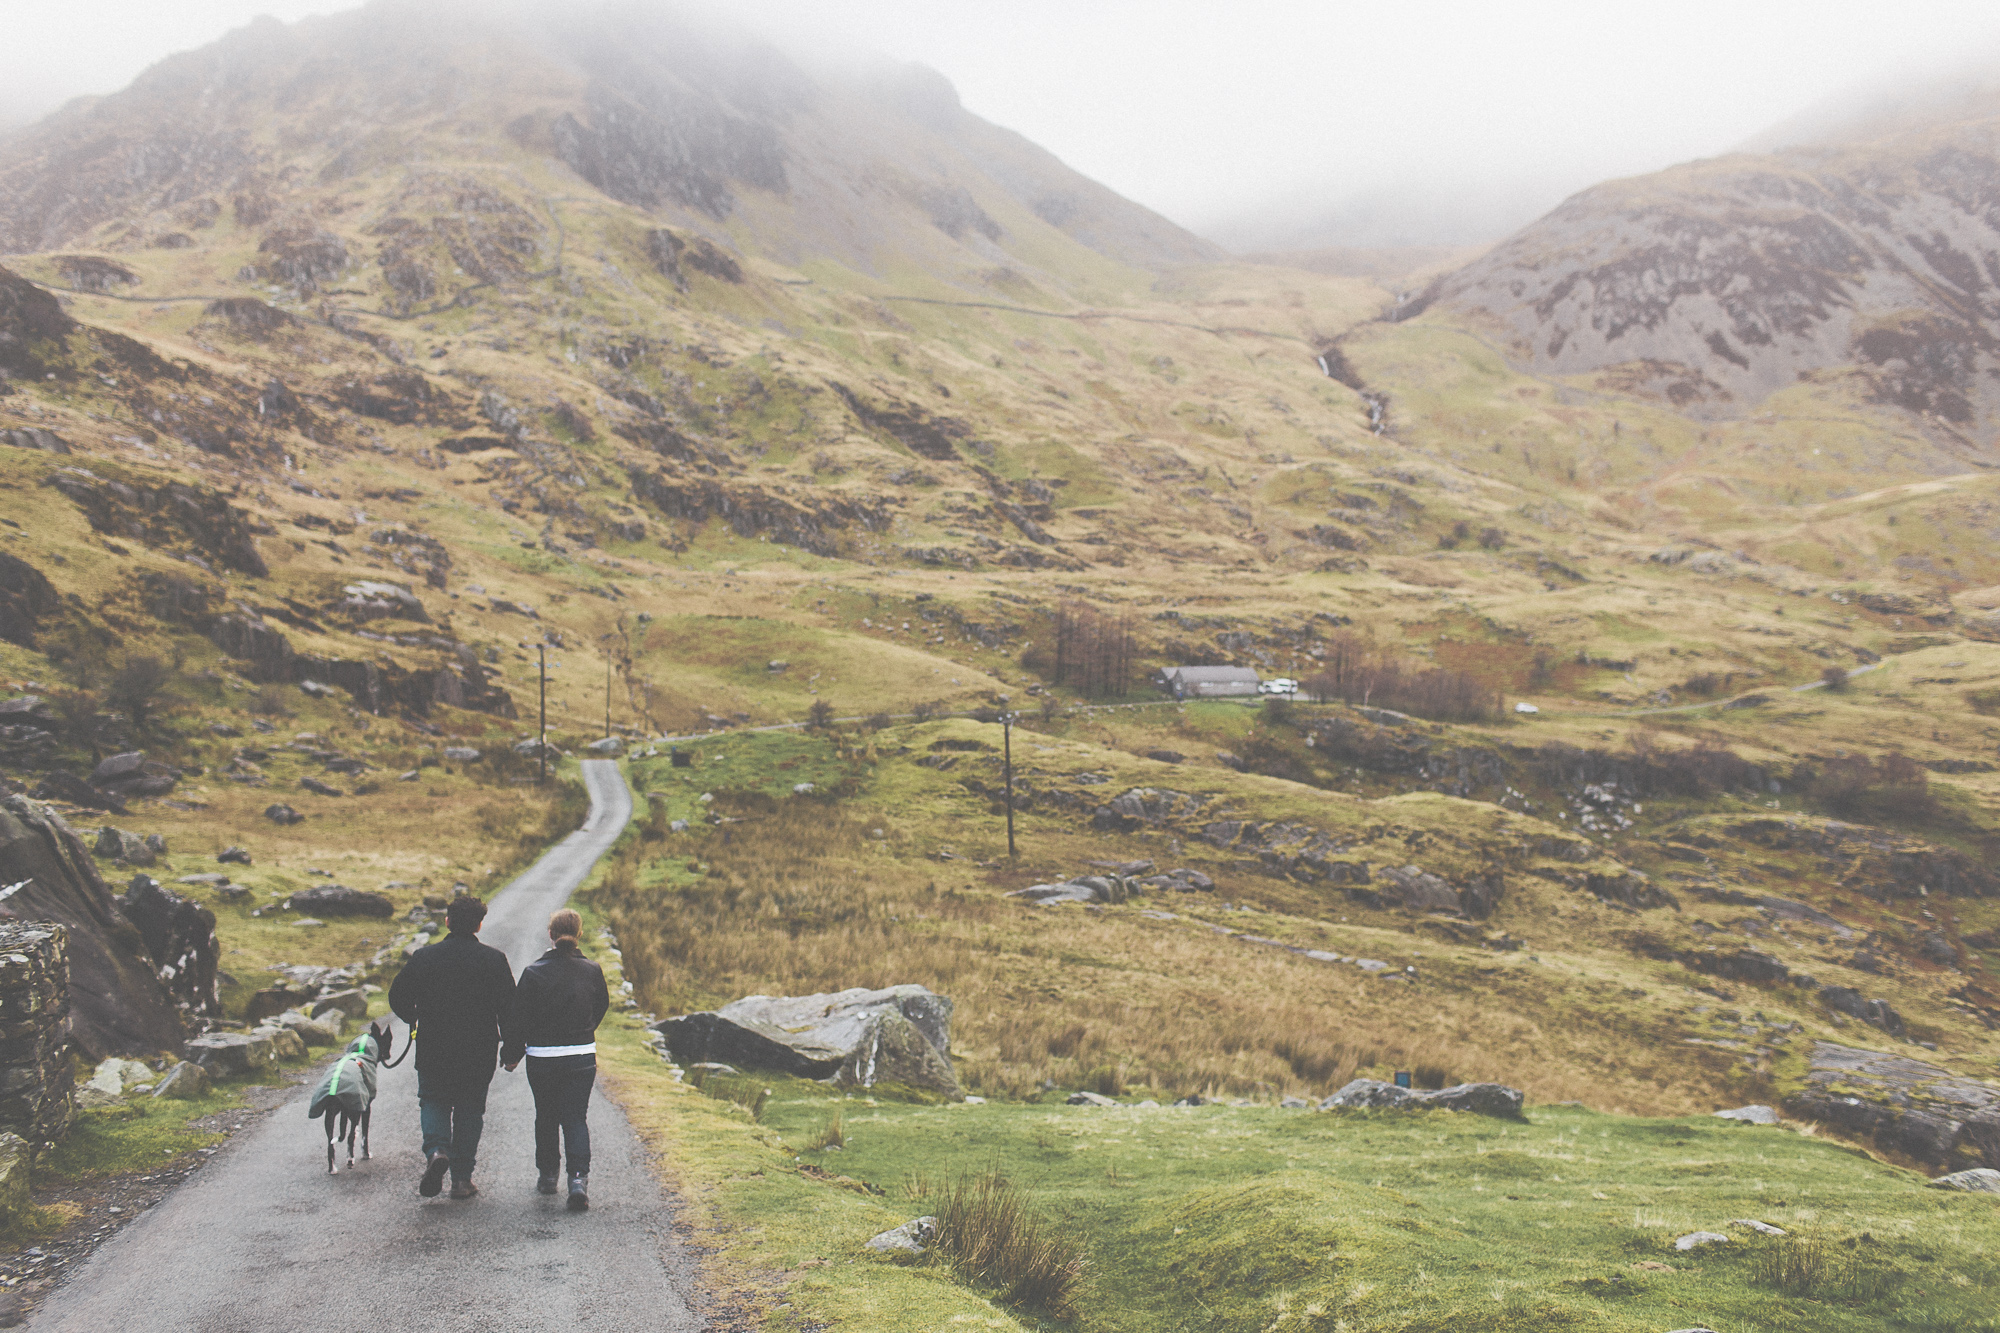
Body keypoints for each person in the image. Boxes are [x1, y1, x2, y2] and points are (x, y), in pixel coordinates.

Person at [388, 895, 516, 1200]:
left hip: (433, 1047)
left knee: (433, 1100)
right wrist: (512, 1051)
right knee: (470, 1110)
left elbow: (397, 996)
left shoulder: (424, 957)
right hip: (478, 1051)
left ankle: (436, 1151)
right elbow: (510, 1009)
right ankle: (461, 1179)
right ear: (479, 925)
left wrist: (413, 1017)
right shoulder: (494, 960)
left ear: (447, 922)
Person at [502, 908, 610, 1212]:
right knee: (576, 1118)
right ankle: (578, 1181)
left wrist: (512, 1055)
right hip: (581, 1056)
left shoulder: (533, 973)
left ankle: (548, 1176)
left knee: (546, 1115)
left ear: (550, 934)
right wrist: (585, 1030)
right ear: (579, 935)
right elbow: (601, 1005)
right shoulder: (592, 970)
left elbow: (518, 1018)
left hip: (543, 1058)